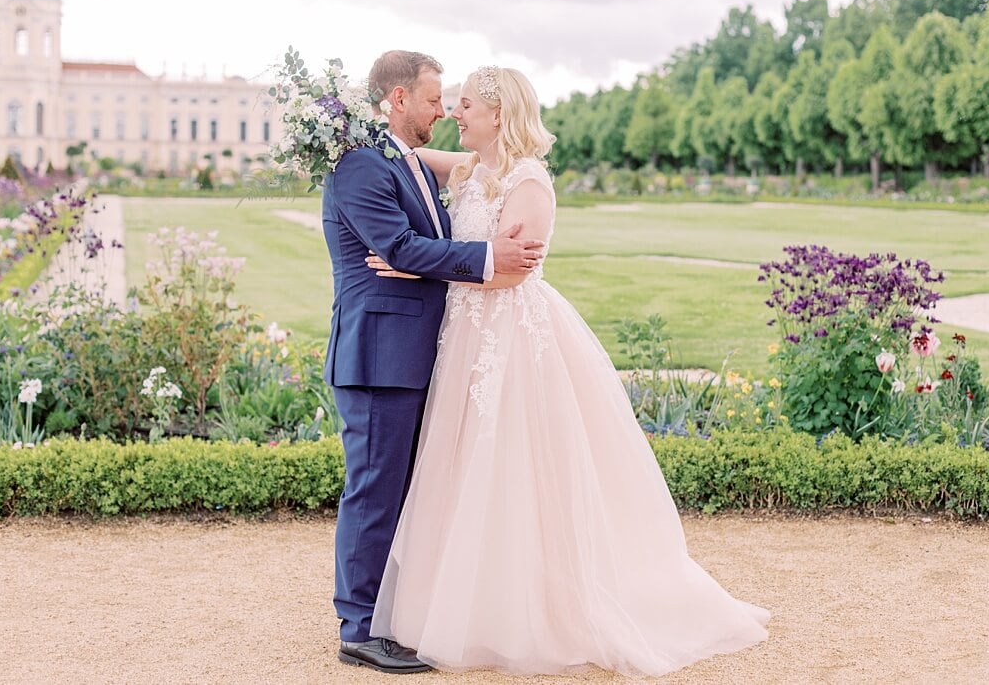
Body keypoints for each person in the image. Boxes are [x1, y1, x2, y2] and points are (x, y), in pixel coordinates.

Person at [365, 66, 770, 677]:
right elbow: (407, 156)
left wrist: (415, 268)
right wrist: (341, 129)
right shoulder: (470, 170)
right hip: (467, 341)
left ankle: (535, 610)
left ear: (499, 115)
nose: (455, 112)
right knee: (463, 467)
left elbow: (508, 271)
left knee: (518, 469)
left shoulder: (529, 182)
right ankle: (469, 605)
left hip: (511, 338)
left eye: (467, 104)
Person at [322, 51, 545, 674]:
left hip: (417, 354)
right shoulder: (364, 164)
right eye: (432, 99)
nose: (443, 110)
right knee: (373, 492)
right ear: (398, 100)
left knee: (405, 494)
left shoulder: (407, 159)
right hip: (378, 358)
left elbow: (427, 225)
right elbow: (394, 245)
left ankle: (391, 616)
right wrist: (477, 256)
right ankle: (359, 627)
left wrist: (426, 251)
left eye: (453, 101)